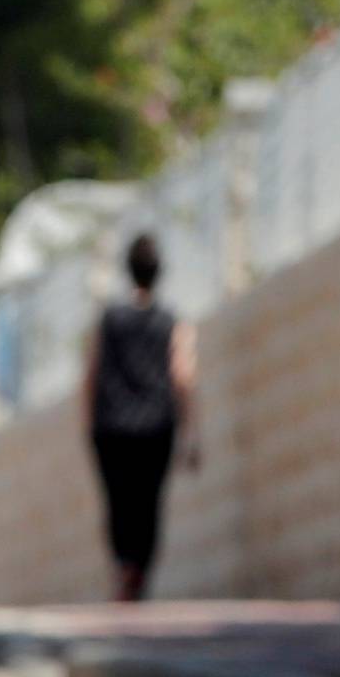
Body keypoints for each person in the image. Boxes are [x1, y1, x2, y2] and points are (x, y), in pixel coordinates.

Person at [83, 231, 196, 602]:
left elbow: (92, 371)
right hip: (156, 425)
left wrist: (88, 422)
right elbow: (182, 374)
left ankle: (123, 565)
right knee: (149, 503)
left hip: (111, 425)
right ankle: (138, 575)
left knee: (117, 502)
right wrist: (191, 429)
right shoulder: (171, 321)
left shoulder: (109, 319)